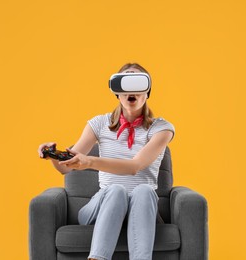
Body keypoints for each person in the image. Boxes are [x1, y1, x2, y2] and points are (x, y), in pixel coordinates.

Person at [37, 63, 175, 260]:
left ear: (147, 92)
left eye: (137, 84)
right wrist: (52, 155)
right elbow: (65, 168)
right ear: (116, 93)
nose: (131, 92)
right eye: (124, 85)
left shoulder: (162, 128)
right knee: (116, 190)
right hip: (103, 205)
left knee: (144, 190)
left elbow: (135, 167)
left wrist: (91, 162)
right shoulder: (99, 124)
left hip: (143, 208)